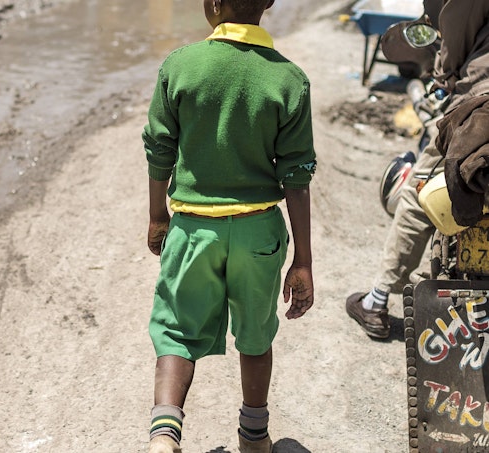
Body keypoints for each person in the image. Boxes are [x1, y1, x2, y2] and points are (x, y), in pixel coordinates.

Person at [142, 1, 317, 452]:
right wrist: (303, 260)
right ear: (269, 3)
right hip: (258, 231)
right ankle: (254, 439)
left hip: (193, 228)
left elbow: (159, 147)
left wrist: (158, 214)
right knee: (256, 337)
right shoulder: (288, 78)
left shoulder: (180, 66)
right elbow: (296, 174)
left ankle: (164, 437)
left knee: (176, 332)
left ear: (214, 5)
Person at [346, 0, 489, 340]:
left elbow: (457, 24)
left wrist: (447, 73)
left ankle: (377, 302)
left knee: (418, 193)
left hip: (481, 100)